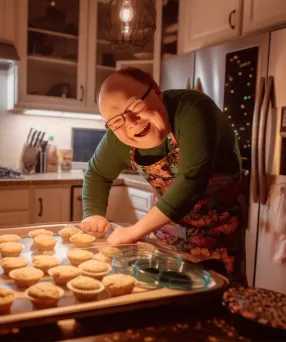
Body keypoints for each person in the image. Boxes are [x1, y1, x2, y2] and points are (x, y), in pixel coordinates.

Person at [80, 67, 246, 284]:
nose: (130, 122)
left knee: (216, 298)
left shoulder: (193, 109)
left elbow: (191, 181)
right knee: (165, 291)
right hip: (165, 231)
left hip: (219, 235)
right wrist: (93, 213)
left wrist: (134, 231)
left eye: (134, 106)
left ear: (157, 92)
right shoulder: (118, 136)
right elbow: (97, 174)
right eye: (116, 121)